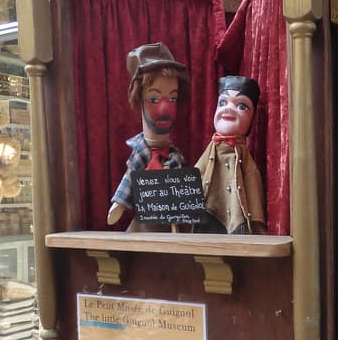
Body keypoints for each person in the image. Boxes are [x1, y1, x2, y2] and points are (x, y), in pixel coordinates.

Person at [107, 42, 190, 228]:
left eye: (172, 98)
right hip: (143, 227)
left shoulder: (174, 155)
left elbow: (182, 190)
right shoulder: (141, 153)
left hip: (170, 227)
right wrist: (118, 204)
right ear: (140, 99)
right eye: (154, 98)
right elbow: (130, 176)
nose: (165, 107)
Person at [194, 75, 266, 235]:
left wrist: (257, 223)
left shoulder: (245, 158)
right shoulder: (211, 149)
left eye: (241, 106)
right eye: (222, 102)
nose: (228, 109)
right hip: (208, 217)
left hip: (236, 219)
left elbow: (252, 186)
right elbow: (196, 174)